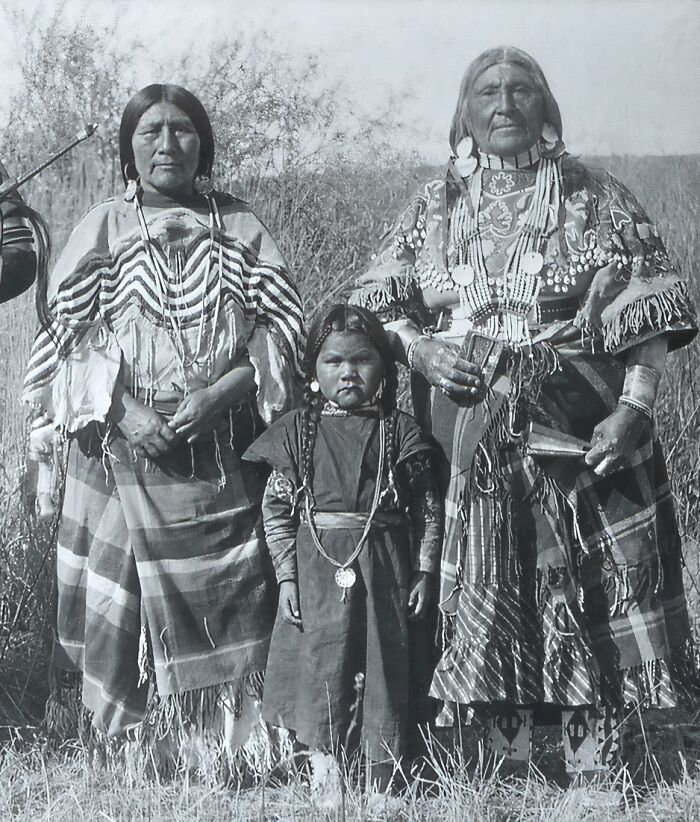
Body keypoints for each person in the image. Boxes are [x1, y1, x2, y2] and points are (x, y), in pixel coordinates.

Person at [351, 46, 698, 779]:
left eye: (520, 88)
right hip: (466, 425)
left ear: (545, 106)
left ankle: (593, 763)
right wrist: (420, 352)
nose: (504, 102)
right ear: (464, 112)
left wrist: (634, 409)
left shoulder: (592, 194)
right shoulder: (434, 203)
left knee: (580, 588)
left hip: (577, 420)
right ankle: (503, 767)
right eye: (487, 91)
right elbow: (375, 302)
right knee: (487, 589)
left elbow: (650, 312)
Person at [22, 84, 304, 759]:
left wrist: (226, 392)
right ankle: (135, 746)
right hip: (119, 442)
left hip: (216, 444)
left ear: (202, 143)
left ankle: (222, 748)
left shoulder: (239, 226)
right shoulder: (105, 226)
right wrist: (124, 411)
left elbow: (280, 333)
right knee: (120, 590)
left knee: (228, 588)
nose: (167, 143)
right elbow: (66, 337)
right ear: (129, 147)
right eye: (150, 132)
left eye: (181, 130)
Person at [243, 303, 442, 793]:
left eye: (362, 360)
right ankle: (325, 775)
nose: (348, 372)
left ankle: (384, 781)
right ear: (313, 370)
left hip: (385, 573)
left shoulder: (400, 433)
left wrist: (424, 571)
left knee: (382, 668)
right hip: (316, 572)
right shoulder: (298, 433)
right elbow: (276, 512)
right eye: (334, 362)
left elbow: (428, 509)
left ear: (384, 368)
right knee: (321, 666)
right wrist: (287, 577)